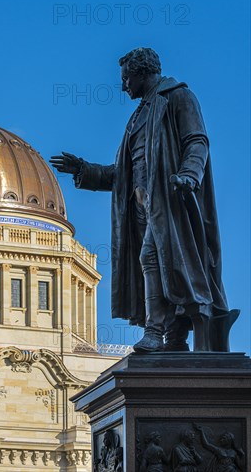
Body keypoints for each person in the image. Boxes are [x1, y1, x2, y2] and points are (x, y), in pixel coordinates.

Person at [50, 47, 237, 352]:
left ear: (142, 73)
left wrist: (189, 174)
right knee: (162, 266)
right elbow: (123, 173)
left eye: (126, 78)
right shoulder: (139, 116)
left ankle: (155, 331)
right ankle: (175, 337)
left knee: (156, 259)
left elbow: (197, 140)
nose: (124, 86)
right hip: (141, 207)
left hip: (171, 200)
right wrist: (84, 169)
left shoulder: (177, 97)